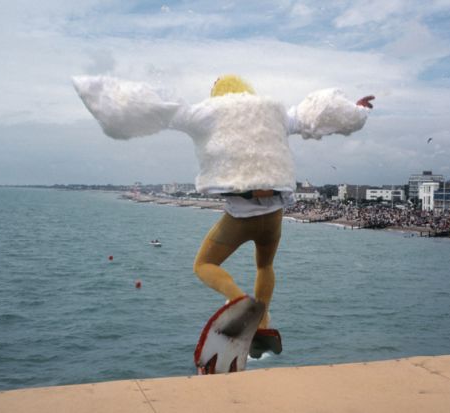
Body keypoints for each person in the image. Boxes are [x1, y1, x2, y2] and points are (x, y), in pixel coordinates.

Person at [73, 74, 373, 344]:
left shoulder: (207, 112)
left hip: (240, 215)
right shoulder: (276, 113)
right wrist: (355, 111)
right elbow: (315, 115)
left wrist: (99, 94)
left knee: (203, 265)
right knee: (264, 266)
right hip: (274, 216)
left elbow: (158, 107)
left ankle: (239, 301)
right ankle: (263, 324)